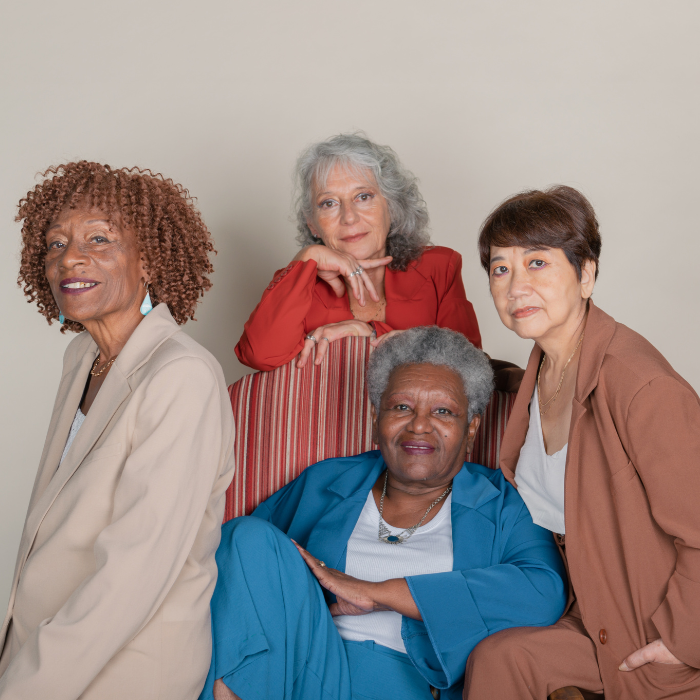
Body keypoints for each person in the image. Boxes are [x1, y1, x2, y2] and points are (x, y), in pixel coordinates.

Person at [203, 326, 566, 700]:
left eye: (442, 411)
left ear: (471, 428)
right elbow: (239, 571)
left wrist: (379, 594)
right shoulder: (326, 481)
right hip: (299, 666)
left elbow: (544, 590)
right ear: (377, 417)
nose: (419, 425)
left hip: (403, 680)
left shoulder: (503, 503)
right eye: (402, 407)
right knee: (244, 536)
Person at [0, 162, 235, 700]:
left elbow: (134, 571)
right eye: (56, 243)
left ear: (148, 260)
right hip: (42, 649)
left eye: (98, 239)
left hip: (124, 668)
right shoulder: (81, 356)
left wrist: (29, 688)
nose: (70, 258)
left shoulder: (182, 375)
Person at [464, 186, 700, 699]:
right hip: (573, 602)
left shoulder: (644, 388)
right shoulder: (543, 364)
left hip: (645, 621)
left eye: (537, 263)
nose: (516, 285)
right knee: (496, 660)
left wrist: (684, 639)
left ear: (587, 274)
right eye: (500, 269)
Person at [234, 133, 484, 372]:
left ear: (392, 206)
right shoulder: (300, 282)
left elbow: (467, 365)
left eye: (363, 196)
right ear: (313, 223)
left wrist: (372, 332)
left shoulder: (439, 269)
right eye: (328, 203)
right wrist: (309, 257)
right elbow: (259, 354)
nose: (349, 217)